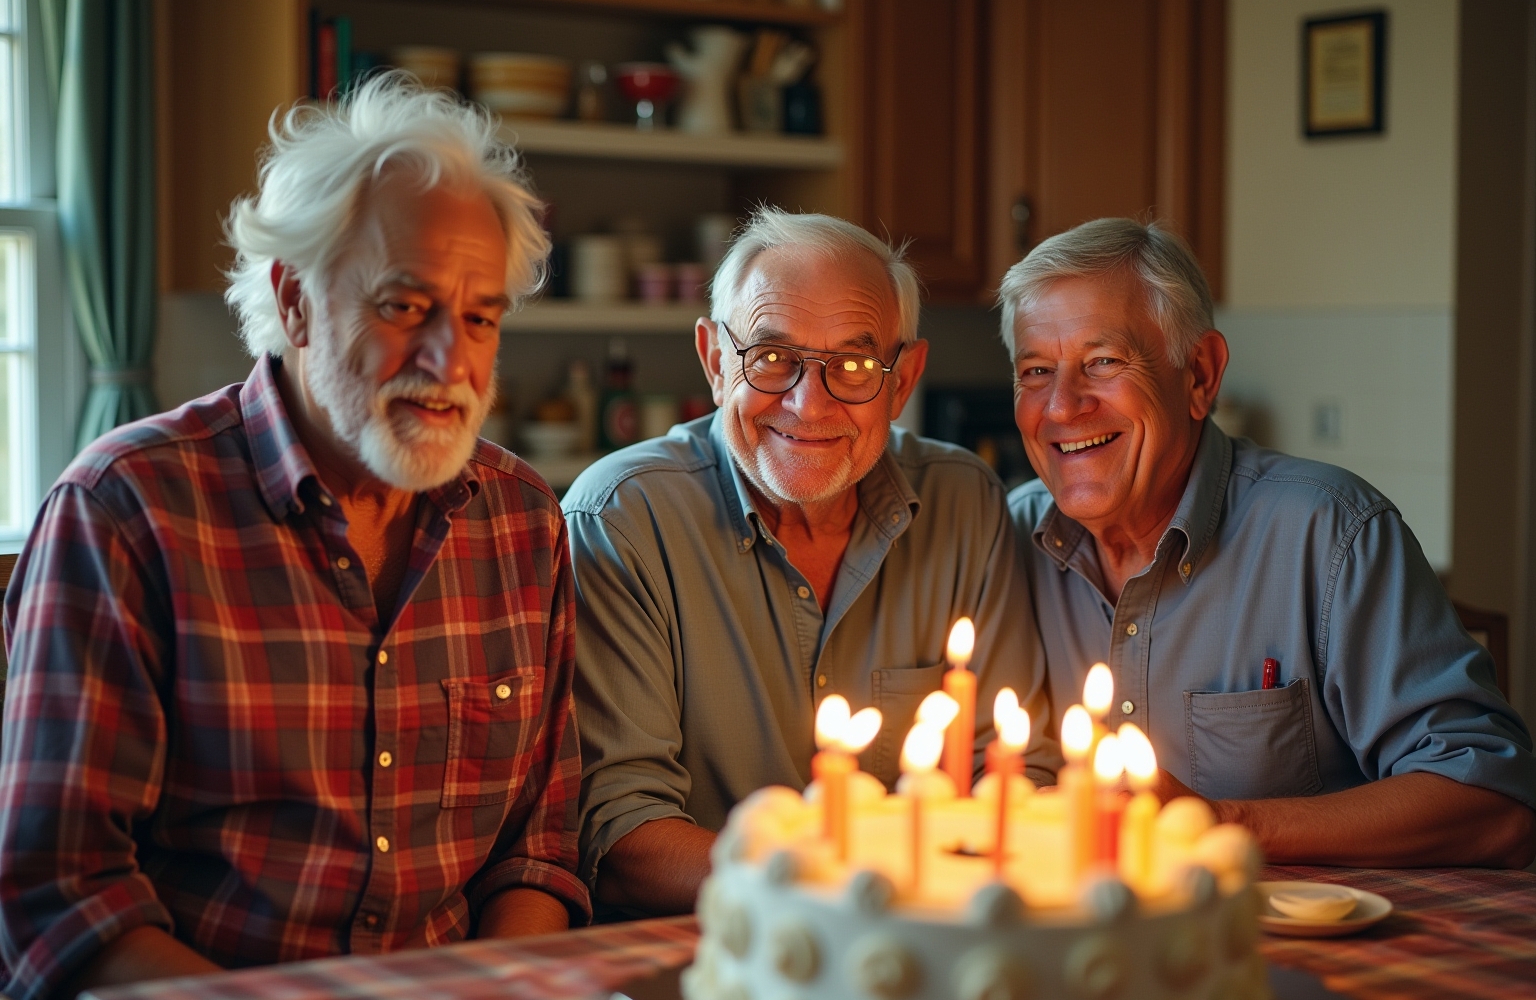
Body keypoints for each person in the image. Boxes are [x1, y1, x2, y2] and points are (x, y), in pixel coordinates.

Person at [0, 77, 589, 1000]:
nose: (451, 360)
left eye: (480, 317)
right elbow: (57, 894)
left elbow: (538, 850)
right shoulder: (126, 510)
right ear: (297, 301)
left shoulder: (521, 519)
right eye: (405, 307)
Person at [1002, 217, 1536, 868]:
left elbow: (1496, 803)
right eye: (1035, 371)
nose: (1060, 406)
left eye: (1103, 361)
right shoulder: (1004, 541)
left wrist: (1221, 825)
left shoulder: (1331, 532)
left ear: (1200, 375)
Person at [566, 209, 1051, 918]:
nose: (807, 402)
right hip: (704, 960)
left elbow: (1014, 774)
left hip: (924, 950)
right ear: (713, 359)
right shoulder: (623, 519)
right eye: (770, 357)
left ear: (903, 379)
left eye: (853, 364)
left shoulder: (965, 503)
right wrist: (852, 886)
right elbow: (624, 838)